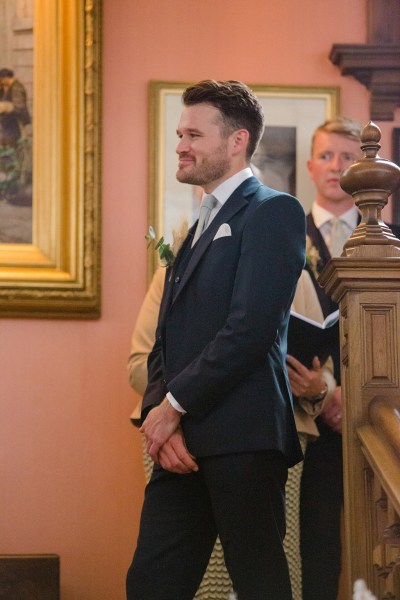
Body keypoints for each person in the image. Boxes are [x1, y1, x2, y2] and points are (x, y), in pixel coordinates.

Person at [126, 79, 306, 600]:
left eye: (194, 134)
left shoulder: (273, 211)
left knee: (259, 585)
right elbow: (167, 335)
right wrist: (163, 413)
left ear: (237, 141)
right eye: (180, 133)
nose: (180, 145)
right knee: (151, 583)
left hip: (244, 439)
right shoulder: (199, 224)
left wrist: (175, 405)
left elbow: (250, 330)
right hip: (178, 442)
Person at [127, 265, 336, 600]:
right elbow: (141, 363)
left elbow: (323, 369)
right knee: (184, 575)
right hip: (187, 439)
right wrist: (189, 392)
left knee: (265, 569)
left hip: (272, 437)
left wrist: (316, 387)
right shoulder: (180, 265)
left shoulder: (292, 271)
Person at [299, 116, 363, 600]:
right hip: (308, 416)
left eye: (348, 156)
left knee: (378, 540)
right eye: (327, 155)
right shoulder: (284, 238)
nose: (337, 166)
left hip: (380, 412)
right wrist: (326, 392)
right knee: (314, 541)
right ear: (310, 166)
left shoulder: (391, 239)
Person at [0, 68, 31, 147]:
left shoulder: (17, 87)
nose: (1, 82)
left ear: (6, 78)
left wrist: (6, 106)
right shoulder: (6, 87)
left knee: (13, 147)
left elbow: (19, 106)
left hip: (16, 123)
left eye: (2, 80)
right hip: (9, 123)